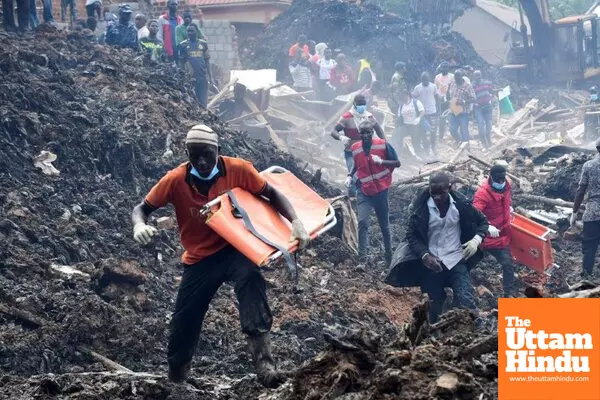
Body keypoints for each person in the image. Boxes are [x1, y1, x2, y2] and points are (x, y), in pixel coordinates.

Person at [131, 125, 310, 387]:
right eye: (195, 155)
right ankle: (177, 378)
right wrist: (139, 225)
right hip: (200, 258)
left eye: (208, 154)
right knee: (185, 318)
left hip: (235, 249)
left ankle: (265, 365)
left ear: (219, 152)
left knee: (251, 278)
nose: (202, 162)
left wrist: (295, 220)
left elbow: (271, 193)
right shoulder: (175, 180)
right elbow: (142, 208)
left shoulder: (238, 169)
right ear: (187, 154)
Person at [385, 172, 488, 323]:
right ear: (429, 189)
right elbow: (411, 236)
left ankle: (474, 335)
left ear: (450, 188)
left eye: (442, 193)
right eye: (434, 193)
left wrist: (476, 240)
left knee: (466, 301)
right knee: (432, 310)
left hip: (456, 260)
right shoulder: (420, 209)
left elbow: (483, 222)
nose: (438, 197)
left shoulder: (461, 205)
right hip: (432, 265)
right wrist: (425, 255)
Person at [347, 122, 401, 266]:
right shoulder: (355, 148)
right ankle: (362, 260)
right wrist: (350, 175)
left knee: (384, 225)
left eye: (368, 132)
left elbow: (397, 163)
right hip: (364, 191)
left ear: (372, 132)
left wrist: (382, 161)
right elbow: (356, 164)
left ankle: (389, 258)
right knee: (363, 222)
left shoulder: (383, 145)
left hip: (381, 191)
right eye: (362, 133)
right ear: (359, 133)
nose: (365, 135)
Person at [473, 163, 516, 297]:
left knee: (508, 264)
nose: (501, 182)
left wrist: (508, 208)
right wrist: (486, 226)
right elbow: (473, 214)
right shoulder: (483, 194)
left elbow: (506, 201)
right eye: (498, 179)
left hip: (502, 234)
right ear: (491, 177)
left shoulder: (507, 186)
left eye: (503, 178)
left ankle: (508, 294)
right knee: (473, 261)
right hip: (485, 235)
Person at [331, 94, 385, 197]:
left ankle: (366, 196)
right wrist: (341, 137)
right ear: (354, 105)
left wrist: (384, 144)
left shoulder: (369, 117)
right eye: (359, 105)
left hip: (367, 151)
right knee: (354, 175)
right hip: (351, 151)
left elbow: (379, 131)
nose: (361, 107)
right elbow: (333, 131)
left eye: (363, 105)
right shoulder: (346, 117)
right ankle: (353, 197)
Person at [571, 137, 600, 277]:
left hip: (593, 213)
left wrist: (574, 212)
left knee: (590, 247)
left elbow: (581, 190)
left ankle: (587, 275)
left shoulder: (588, 166)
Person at [179, 24, 212, 107]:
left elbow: (207, 61)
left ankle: (204, 118)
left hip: (202, 77)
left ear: (196, 31)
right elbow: (181, 63)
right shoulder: (183, 45)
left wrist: (210, 77)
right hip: (190, 79)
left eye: (191, 31)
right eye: (188, 31)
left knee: (203, 102)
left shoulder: (203, 44)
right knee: (192, 102)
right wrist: (183, 78)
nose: (189, 33)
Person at [412, 72, 439, 155]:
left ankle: (433, 147)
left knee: (433, 132)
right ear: (421, 80)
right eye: (424, 80)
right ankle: (426, 149)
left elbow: (437, 97)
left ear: (429, 79)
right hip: (423, 114)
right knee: (423, 132)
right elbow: (413, 98)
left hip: (432, 112)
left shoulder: (433, 86)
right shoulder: (417, 88)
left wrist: (438, 110)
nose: (425, 81)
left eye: (427, 79)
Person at [446, 70, 475, 143]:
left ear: (462, 77)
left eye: (457, 77)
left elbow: (473, 99)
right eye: (455, 77)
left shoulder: (467, 86)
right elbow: (449, 95)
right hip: (453, 110)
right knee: (452, 129)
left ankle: (467, 148)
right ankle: (460, 142)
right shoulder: (452, 84)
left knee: (464, 131)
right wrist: (449, 100)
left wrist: (463, 101)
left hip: (463, 111)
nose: (456, 78)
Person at [397, 90, 426, 156]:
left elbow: (422, 111)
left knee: (415, 141)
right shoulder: (401, 106)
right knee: (397, 135)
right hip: (406, 125)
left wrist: (418, 118)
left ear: (408, 96)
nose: (404, 100)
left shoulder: (416, 102)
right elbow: (399, 115)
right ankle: (399, 152)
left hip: (415, 125)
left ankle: (420, 155)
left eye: (404, 97)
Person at [472, 70, 494, 148]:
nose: (478, 77)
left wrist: (491, 98)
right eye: (476, 76)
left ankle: (488, 139)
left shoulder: (487, 83)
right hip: (478, 108)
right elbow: (471, 97)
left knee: (489, 125)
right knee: (480, 125)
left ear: (481, 75)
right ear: (474, 77)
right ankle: (484, 142)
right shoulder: (472, 86)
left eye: (479, 75)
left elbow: (492, 91)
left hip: (488, 106)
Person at [434, 61, 454, 140]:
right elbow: (435, 89)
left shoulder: (452, 76)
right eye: (442, 67)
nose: (443, 69)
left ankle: (453, 135)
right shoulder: (437, 77)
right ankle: (441, 137)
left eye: (445, 67)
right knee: (441, 119)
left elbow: (454, 87)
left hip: (450, 100)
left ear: (448, 69)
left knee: (452, 118)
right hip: (440, 100)